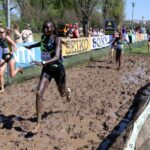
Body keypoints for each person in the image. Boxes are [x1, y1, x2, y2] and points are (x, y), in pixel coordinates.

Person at [24, 20, 71, 131]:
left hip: (58, 70)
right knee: (38, 93)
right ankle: (39, 122)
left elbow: (56, 56)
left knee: (62, 94)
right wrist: (31, 47)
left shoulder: (57, 39)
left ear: (53, 29)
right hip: (47, 70)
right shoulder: (43, 37)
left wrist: (43, 62)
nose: (45, 30)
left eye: (48, 28)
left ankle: (68, 91)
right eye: (44, 27)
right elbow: (40, 44)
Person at [0, 27, 23, 93]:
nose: (0, 34)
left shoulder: (7, 38)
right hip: (3, 58)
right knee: (0, 74)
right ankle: (2, 89)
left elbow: (15, 46)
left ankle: (18, 68)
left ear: (4, 32)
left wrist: (10, 54)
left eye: (1, 32)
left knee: (11, 75)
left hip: (10, 57)